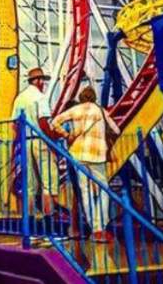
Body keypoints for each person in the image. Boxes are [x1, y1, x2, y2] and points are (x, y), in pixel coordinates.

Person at [45, 86, 120, 242]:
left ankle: (95, 228)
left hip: (78, 154)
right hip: (97, 155)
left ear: (81, 97)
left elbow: (54, 122)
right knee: (103, 189)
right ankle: (101, 226)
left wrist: (66, 134)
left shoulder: (76, 110)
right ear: (94, 97)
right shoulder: (100, 110)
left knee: (84, 191)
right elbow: (117, 130)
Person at [12, 67, 58, 219]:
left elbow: (15, 125)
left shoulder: (20, 98)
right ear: (37, 81)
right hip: (40, 140)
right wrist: (52, 142)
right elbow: (43, 121)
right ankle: (49, 219)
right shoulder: (40, 97)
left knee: (29, 184)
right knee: (48, 182)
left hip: (25, 142)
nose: (43, 84)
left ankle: (29, 220)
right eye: (42, 80)